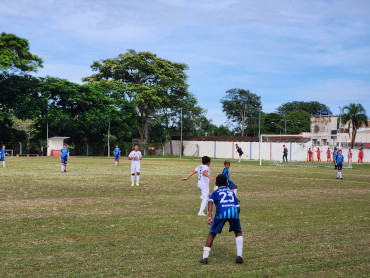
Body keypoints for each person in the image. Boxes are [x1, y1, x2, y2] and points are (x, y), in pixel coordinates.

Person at [198, 174, 243, 265]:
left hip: (221, 213)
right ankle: (239, 256)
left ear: (216, 183)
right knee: (238, 231)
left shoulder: (216, 192)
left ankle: (205, 258)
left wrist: (210, 216)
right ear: (227, 183)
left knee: (212, 233)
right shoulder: (231, 192)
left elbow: (210, 202)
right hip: (233, 212)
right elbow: (238, 207)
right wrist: (235, 215)